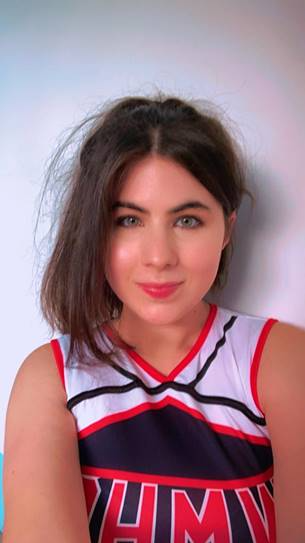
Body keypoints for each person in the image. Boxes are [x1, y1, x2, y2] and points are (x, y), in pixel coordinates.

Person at [2, 95, 305, 543]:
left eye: (186, 220)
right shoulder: (52, 379)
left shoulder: (279, 361)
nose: (159, 257)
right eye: (128, 220)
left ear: (228, 227)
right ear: (94, 231)